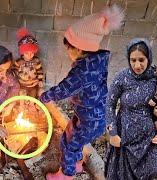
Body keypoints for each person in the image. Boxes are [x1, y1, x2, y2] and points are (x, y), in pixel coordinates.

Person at [39, 5, 124, 179]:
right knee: (70, 136)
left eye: (68, 49)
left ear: (78, 48)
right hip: (92, 114)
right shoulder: (97, 60)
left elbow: (65, 88)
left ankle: (66, 174)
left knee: (69, 145)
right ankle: (77, 163)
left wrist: (46, 96)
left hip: (91, 120)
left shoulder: (82, 71)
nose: (67, 53)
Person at [105, 39, 157, 179]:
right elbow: (109, 104)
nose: (137, 65)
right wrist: (113, 132)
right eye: (133, 60)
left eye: (141, 60)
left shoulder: (156, 76)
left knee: (154, 170)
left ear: (149, 58)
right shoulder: (122, 77)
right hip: (125, 138)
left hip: (149, 138)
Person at [13, 27, 45, 98]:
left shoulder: (36, 61)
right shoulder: (19, 62)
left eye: (32, 53)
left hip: (34, 85)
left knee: (32, 99)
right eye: (27, 53)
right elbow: (14, 71)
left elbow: (40, 71)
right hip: (22, 85)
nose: (30, 55)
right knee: (22, 100)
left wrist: (40, 80)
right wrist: (14, 82)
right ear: (22, 53)